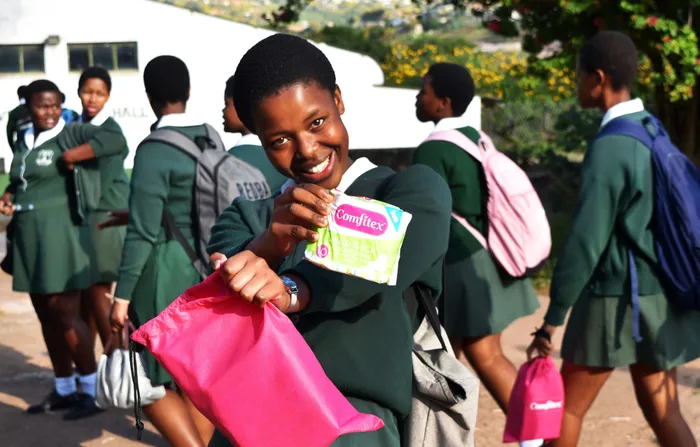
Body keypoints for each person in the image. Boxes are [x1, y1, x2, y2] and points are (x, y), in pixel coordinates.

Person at [206, 34, 451, 447]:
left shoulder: (409, 193)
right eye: (279, 140)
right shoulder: (246, 217)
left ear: (338, 99)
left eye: (316, 122)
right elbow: (218, 312)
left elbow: (378, 256)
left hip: (353, 429)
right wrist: (269, 245)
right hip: (245, 426)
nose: (306, 149)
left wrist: (293, 288)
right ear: (258, 138)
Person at [527, 31, 699, 447]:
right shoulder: (650, 128)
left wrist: (553, 319)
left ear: (599, 78)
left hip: (614, 300)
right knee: (664, 410)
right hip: (656, 295)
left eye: (579, 75)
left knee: (565, 409)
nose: (576, 84)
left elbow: (586, 242)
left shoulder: (612, 146)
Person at [413, 63, 539, 415]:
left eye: (424, 91)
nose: (418, 98)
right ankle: (531, 433)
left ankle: (535, 433)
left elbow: (429, 217)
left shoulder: (432, 150)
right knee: (456, 357)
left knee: (473, 357)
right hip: (488, 257)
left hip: (459, 265)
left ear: (443, 103)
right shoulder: (475, 137)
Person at [108, 55, 215, 447]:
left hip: (164, 274)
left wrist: (121, 297)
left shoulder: (153, 149)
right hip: (207, 270)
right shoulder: (210, 136)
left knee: (151, 381)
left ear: (149, 95)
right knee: (196, 378)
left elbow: (142, 232)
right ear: (188, 91)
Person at [1, 79, 116, 420]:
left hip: (60, 236)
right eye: (41, 105)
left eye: (55, 105)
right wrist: (10, 194)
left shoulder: (70, 132)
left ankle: (91, 391)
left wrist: (74, 156)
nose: (49, 112)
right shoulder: (22, 136)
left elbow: (114, 139)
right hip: (28, 236)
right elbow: (22, 178)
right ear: (29, 107)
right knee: (46, 315)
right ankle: (64, 388)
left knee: (65, 313)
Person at [73, 67, 130, 353]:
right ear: (78, 91)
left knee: (99, 286)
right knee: (86, 293)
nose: (92, 98)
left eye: (99, 93)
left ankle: (117, 356)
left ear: (108, 97)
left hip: (108, 214)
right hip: (87, 215)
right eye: (87, 91)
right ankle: (94, 363)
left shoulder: (110, 129)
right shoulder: (76, 124)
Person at [222, 74, 288, 192]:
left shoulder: (227, 161)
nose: (223, 110)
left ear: (241, 107)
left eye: (227, 104)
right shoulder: (286, 157)